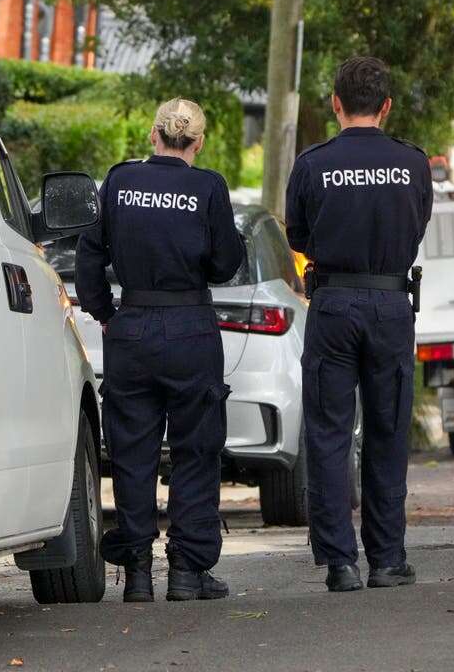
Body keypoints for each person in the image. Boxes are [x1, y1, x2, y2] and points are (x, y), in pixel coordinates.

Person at [75, 98, 245, 602]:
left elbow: (90, 252)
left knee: (132, 453)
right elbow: (225, 264)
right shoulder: (207, 186)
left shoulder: (121, 182)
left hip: (133, 329)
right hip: (191, 328)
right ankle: (188, 572)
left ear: (154, 136)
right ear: (198, 142)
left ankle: (138, 574)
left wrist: (105, 313)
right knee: (196, 450)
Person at [285, 57, 433, 593]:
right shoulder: (412, 164)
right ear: (387, 106)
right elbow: (416, 228)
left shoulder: (312, 163)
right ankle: (388, 560)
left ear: (335, 103)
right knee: (388, 431)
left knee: (328, 433)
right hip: (391, 305)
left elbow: (297, 237)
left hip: (333, 305)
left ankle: (339, 562)